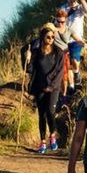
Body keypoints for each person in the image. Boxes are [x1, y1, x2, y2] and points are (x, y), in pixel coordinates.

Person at [27, 25, 68, 153]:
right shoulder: (36, 53)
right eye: (48, 37)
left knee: (50, 111)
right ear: (43, 38)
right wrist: (28, 59)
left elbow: (60, 72)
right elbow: (30, 70)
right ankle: (43, 142)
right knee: (41, 114)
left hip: (53, 87)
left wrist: (51, 86)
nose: (51, 39)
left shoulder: (59, 53)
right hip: (39, 86)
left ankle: (52, 135)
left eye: (52, 37)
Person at [63, 0, 87, 88]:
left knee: (74, 60)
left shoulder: (80, 8)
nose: (71, 0)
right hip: (65, 39)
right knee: (67, 63)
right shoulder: (63, 8)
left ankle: (77, 73)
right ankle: (72, 86)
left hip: (77, 39)